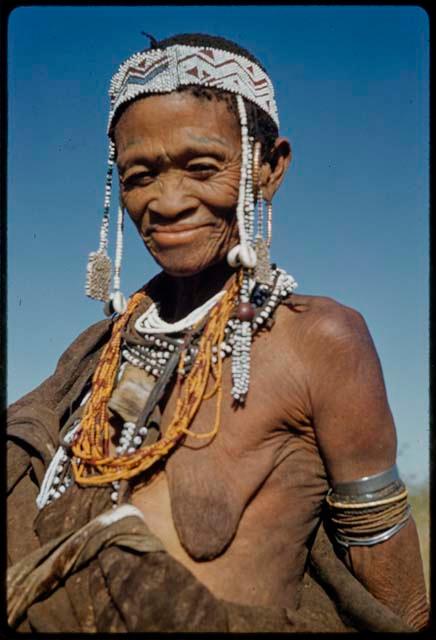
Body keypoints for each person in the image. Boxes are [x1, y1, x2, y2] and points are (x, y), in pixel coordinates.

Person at [6, 33, 429, 633]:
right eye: (140, 175)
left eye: (202, 167)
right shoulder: (97, 356)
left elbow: (391, 578)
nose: (168, 201)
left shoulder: (320, 341)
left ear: (268, 167)